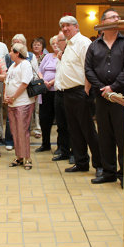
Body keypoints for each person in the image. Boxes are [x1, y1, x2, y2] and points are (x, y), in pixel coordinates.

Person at [85, 9, 124, 186]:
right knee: (104, 135)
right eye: (113, 17)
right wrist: (102, 88)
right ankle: (108, 172)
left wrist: (113, 87)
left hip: (122, 97)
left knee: (123, 136)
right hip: (102, 97)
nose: (117, 19)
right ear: (103, 22)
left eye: (118, 17)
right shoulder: (94, 46)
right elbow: (88, 69)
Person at [56, 16, 102, 174]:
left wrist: (87, 89)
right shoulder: (68, 45)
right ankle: (81, 162)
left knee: (88, 130)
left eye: (68, 25)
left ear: (76, 26)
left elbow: (89, 68)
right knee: (74, 130)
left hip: (81, 91)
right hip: (67, 93)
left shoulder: (83, 43)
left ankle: (100, 165)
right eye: (63, 26)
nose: (65, 28)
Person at [5, 43, 36, 170]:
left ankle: (27, 158)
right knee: (14, 131)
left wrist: (13, 97)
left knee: (22, 131)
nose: (9, 53)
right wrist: (6, 96)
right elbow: (7, 82)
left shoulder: (25, 64)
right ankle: (19, 156)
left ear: (17, 53)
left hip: (23, 102)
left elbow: (24, 83)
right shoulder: (12, 65)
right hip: (11, 103)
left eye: (11, 51)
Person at [36, 35, 59, 153]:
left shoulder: (63, 56)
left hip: (57, 92)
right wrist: (43, 80)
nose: (55, 45)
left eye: (57, 43)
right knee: (44, 119)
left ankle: (61, 146)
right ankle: (45, 144)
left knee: (60, 120)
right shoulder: (48, 56)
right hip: (45, 91)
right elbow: (40, 70)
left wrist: (51, 82)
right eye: (53, 43)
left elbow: (62, 72)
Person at [52, 31, 72, 162]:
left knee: (72, 126)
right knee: (61, 125)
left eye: (58, 41)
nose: (56, 44)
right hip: (58, 93)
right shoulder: (60, 55)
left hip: (69, 92)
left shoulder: (71, 54)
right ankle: (64, 151)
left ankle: (75, 153)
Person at [30, 37, 47, 139]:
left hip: (40, 85)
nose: (36, 46)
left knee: (37, 109)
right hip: (29, 85)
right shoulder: (28, 56)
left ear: (42, 46)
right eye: (34, 44)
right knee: (29, 108)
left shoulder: (46, 57)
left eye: (38, 44)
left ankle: (38, 129)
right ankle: (29, 128)